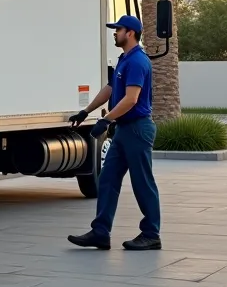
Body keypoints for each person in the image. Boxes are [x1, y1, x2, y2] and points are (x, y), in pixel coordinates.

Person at [67, 14, 161, 251]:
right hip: (124, 130)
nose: (114, 33)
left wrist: (107, 120)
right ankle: (100, 232)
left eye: (118, 29)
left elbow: (131, 99)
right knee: (107, 179)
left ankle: (151, 234)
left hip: (138, 129)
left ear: (130, 33)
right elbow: (110, 89)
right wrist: (86, 111)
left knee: (142, 183)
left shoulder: (138, 61)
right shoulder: (124, 59)